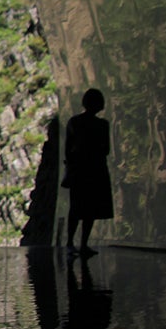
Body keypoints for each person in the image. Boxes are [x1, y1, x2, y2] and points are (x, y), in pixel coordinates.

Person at [63, 88, 112, 257]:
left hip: (79, 170)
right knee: (90, 209)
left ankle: (70, 243)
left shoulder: (74, 122)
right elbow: (105, 149)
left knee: (76, 207)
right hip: (96, 169)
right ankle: (83, 244)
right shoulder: (103, 125)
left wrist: (72, 165)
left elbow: (68, 149)